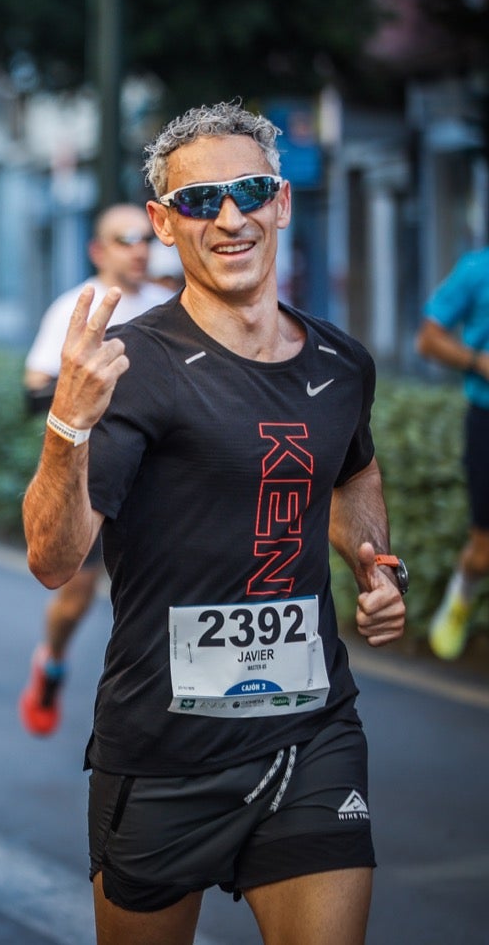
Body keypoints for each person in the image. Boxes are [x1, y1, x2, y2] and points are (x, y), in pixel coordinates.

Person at [21, 101, 406, 944]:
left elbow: (352, 468)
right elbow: (54, 561)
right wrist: (68, 424)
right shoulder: (132, 367)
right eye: (200, 201)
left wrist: (377, 563)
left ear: (282, 202)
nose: (229, 218)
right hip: (164, 750)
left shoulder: (343, 364)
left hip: (312, 732)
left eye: (250, 192)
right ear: (164, 222)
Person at [16, 203, 174, 737]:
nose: (137, 250)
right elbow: (33, 386)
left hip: (155, 475)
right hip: (93, 471)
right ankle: (52, 662)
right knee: (76, 595)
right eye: (123, 240)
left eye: (143, 240)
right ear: (98, 250)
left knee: (161, 592)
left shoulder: (168, 303)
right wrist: (89, 391)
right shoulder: (74, 307)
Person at [415, 252, 489, 660]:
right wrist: (478, 361)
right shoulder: (477, 270)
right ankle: (462, 593)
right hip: (486, 419)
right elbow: (427, 339)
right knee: (484, 551)